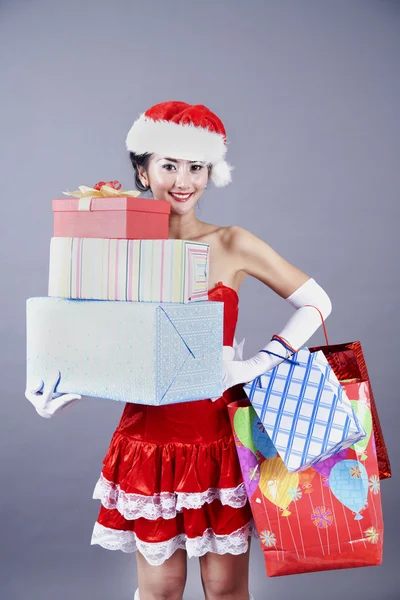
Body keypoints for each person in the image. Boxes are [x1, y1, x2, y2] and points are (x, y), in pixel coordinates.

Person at [28, 101, 332, 600]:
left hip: (217, 438)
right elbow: (90, 329)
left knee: (226, 589)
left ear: (212, 173)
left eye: (196, 166)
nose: (182, 179)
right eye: (168, 164)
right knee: (161, 591)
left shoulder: (232, 242)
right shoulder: (119, 247)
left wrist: (254, 364)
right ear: (142, 170)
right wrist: (60, 381)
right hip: (148, 437)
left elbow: (316, 301)